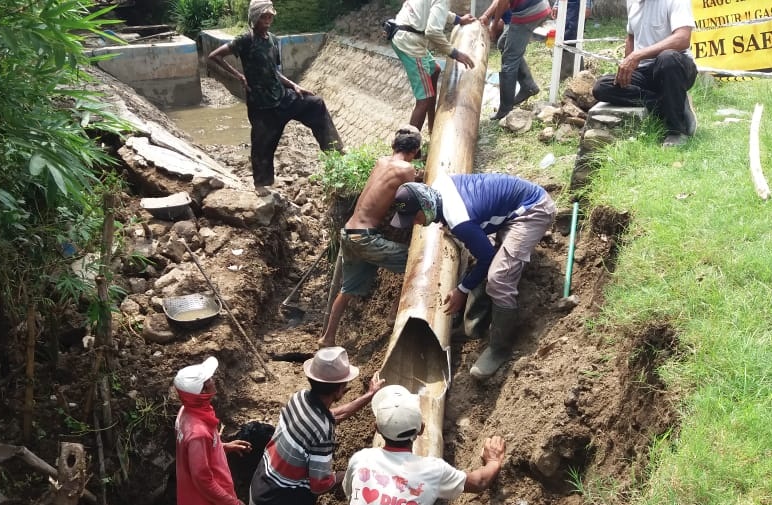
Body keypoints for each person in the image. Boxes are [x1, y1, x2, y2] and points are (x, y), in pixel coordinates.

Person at [390, 173, 556, 379]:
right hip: (509, 210)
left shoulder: (460, 220)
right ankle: (474, 326)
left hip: (531, 210)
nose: (416, 223)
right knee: (483, 259)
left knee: (499, 278)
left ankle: (499, 348)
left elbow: (486, 258)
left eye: (415, 217)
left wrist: (461, 289)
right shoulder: (439, 187)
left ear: (425, 205)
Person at [331, 385, 506, 505]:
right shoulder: (432, 470)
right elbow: (480, 482)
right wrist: (493, 461)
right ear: (421, 428)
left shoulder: (361, 459)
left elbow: (352, 497)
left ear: (377, 429)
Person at [248, 347, 384, 505]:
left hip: (267, 486)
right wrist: (351, 473)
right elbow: (319, 484)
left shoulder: (300, 398)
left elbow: (333, 417)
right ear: (340, 388)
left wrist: (369, 396)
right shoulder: (322, 430)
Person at [208, 0, 344, 194]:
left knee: (316, 104)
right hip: (261, 105)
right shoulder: (245, 40)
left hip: (282, 97)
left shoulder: (272, 39)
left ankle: (334, 149)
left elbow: (274, 72)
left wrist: (296, 86)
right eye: (263, 17)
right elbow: (214, 56)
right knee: (262, 143)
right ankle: (261, 184)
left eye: (270, 16)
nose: (268, 20)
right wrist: (239, 76)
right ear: (254, 18)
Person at [319, 125, 424, 348]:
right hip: (365, 238)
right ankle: (394, 315)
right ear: (414, 151)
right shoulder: (406, 170)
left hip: (349, 233)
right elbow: (406, 202)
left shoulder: (381, 161)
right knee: (415, 263)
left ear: (393, 146)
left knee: (347, 290)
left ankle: (327, 338)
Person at [173, 357, 253, 505]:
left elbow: (200, 452)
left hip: (202, 501)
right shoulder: (197, 432)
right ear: (201, 391)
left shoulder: (187, 412)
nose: (214, 381)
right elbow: (203, 478)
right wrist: (233, 504)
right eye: (209, 380)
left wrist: (223, 446)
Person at [591, 0, 697, 147]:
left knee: (667, 58)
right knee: (602, 87)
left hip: (676, 67)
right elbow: (631, 38)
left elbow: (683, 39)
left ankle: (677, 130)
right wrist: (627, 66)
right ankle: (669, 104)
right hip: (644, 71)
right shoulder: (633, 2)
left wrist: (637, 55)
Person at [390, 0, 477, 132]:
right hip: (409, 43)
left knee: (434, 70)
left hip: (404, 34)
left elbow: (436, 11)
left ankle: (432, 127)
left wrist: (458, 19)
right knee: (424, 99)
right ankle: (410, 150)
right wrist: (455, 53)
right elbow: (432, 32)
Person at [479, 0, 552, 120]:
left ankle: (505, 109)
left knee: (509, 60)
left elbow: (503, 2)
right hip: (537, 7)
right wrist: (487, 16)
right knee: (503, 43)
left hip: (528, 12)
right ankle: (528, 86)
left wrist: (494, 23)